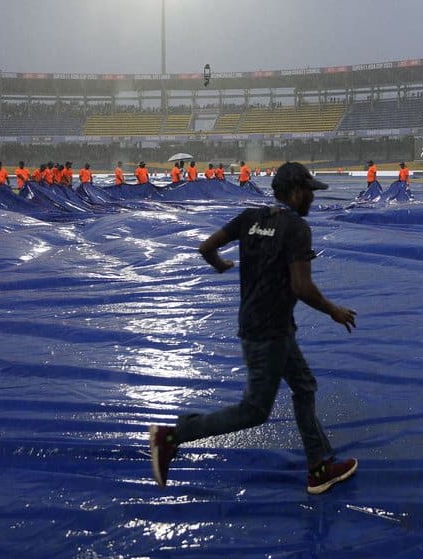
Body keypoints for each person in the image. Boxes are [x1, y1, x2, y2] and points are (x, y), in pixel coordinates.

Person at [149, 161, 358, 495]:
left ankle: (319, 467)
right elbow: (301, 287)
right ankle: (172, 436)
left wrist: (222, 265)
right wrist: (334, 310)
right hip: (269, 334)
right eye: (310, 193)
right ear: (295, 192)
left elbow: (206, 247)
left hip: (263, 324)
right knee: (255, 410)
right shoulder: (296, 229)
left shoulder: (250, 218)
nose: (312, 201)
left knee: (304, 386)